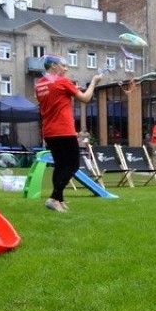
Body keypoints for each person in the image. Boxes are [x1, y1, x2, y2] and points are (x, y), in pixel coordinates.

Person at [34, 55, 103, 212]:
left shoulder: (39, 85)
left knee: (60, 165)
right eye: (63, 65)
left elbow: (56, 98)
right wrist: (94, 82)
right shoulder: (62, 82)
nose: (66, 69)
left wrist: (71, 89)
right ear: (53, 65)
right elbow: (85, 98)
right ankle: (53, 197)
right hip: (64, 130)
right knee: (73, 165)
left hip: (49, 131)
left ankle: (59, 200)